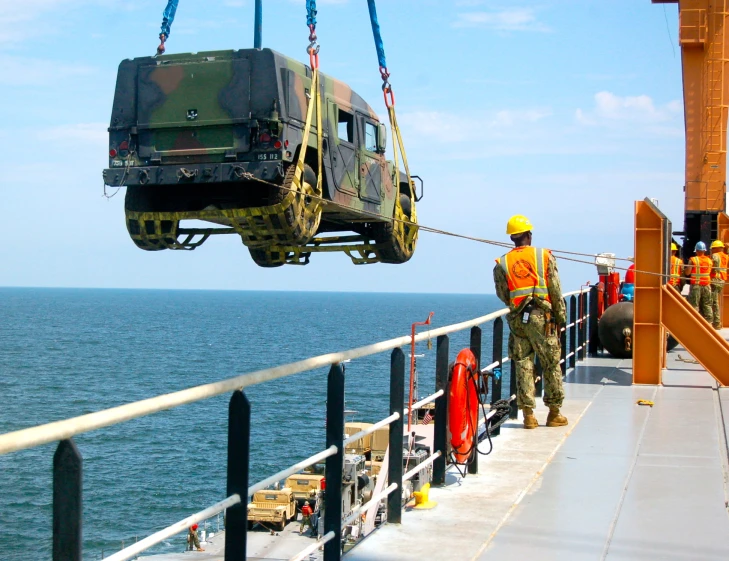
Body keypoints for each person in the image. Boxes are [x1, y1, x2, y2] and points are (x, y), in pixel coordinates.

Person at [493, 215, 567, 430]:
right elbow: (555, 289)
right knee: (551, 363)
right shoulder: (543, 256)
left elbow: (502, 293)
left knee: (523, 364)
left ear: (512, 238)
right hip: (542, 318)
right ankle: (554, 413)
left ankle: (528, 416)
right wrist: (560, 318)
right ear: (529, 235)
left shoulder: (502, 263)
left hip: (518, 318)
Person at [684, 241, 713, 323]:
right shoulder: (709, 260)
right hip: (707, 286)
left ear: (696, 251)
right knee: (707, 305)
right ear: (704, 250)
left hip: (696, 286)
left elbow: (687, 273)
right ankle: (709, 323)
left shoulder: (693, 260)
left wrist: (684, 270)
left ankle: (695, 323)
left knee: (694, 305)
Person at [710, 240, 728, 329]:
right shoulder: (726, 256)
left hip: (715, 280)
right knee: (715, 300)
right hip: (722, 280)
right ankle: (716, 322)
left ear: (717, 248)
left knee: (713, 301)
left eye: (713, 248)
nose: (712, 250)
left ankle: (716, 323)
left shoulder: (715, 256)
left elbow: (713, 268)